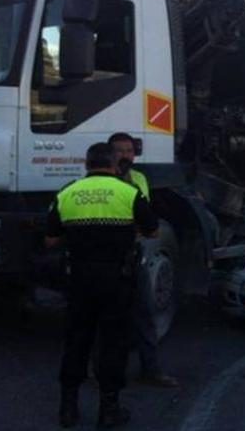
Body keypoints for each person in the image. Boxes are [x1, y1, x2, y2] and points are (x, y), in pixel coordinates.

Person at [46, 142, 159, 428]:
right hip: (117, 281)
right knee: (112, 343)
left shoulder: (66, 193)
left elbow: (50, 239)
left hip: (79, 279)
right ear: (113, 164)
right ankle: (109, 410)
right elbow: (152, 230)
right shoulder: (129, 193)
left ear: (86, 164)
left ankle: (67, 409)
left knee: (76, 341)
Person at [107, 132, 180, 388]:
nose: (125, 155)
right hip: (106, 261)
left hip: (132, 256)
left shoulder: (139, 179)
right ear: (110, 154)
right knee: (105, 321)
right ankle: (102, 373)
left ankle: (151, 370)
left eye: (129, 150)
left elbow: (146, 219)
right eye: (119, 150)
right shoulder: (101, 181)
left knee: (144, 315)